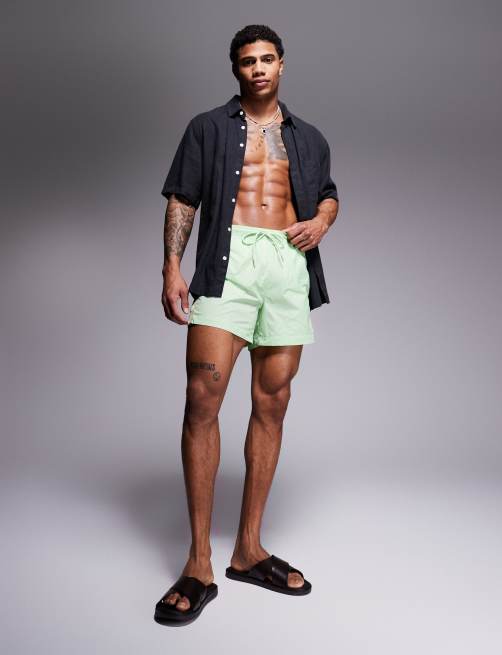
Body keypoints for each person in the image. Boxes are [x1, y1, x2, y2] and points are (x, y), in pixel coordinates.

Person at [154, 24, 339, 626]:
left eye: (266, 59)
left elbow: (328, 194)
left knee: (273, 402)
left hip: (286, 267)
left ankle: (248, 550)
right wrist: (172, 265)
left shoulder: (309, 137)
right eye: (247, 61)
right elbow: (183, 197)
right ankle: (199, 561)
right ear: (236, 69)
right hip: (226, 262)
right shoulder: (207, 127)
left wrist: (323, 220)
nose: (257, 68)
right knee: (202, 397)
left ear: (281, 64)